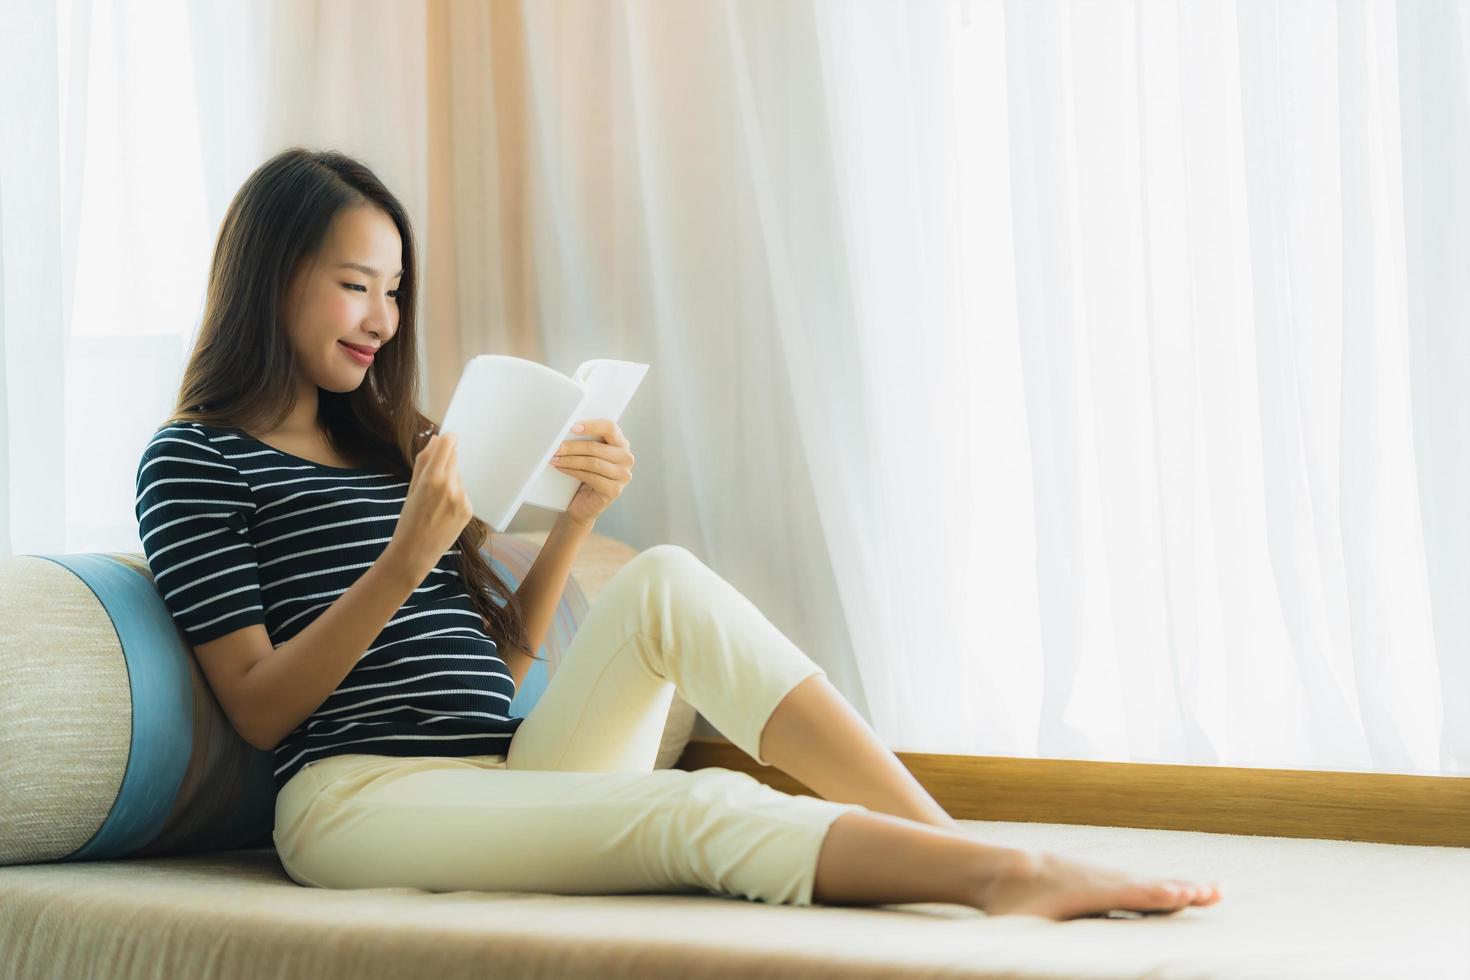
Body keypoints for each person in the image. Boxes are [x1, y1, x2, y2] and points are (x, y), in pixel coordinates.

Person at [133, 146, 1222, 921]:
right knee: (692, 808)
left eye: (396, 292)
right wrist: (408, 552)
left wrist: (573, 523)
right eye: (357, 286)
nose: (384, 319)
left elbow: (500, 666)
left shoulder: (392, 442)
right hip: (357, 799)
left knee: (664, 578)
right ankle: (994, 879)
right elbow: (261, 705)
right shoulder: (192, 460)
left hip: (503, 762)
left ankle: (952, 836)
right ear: (273, 281)